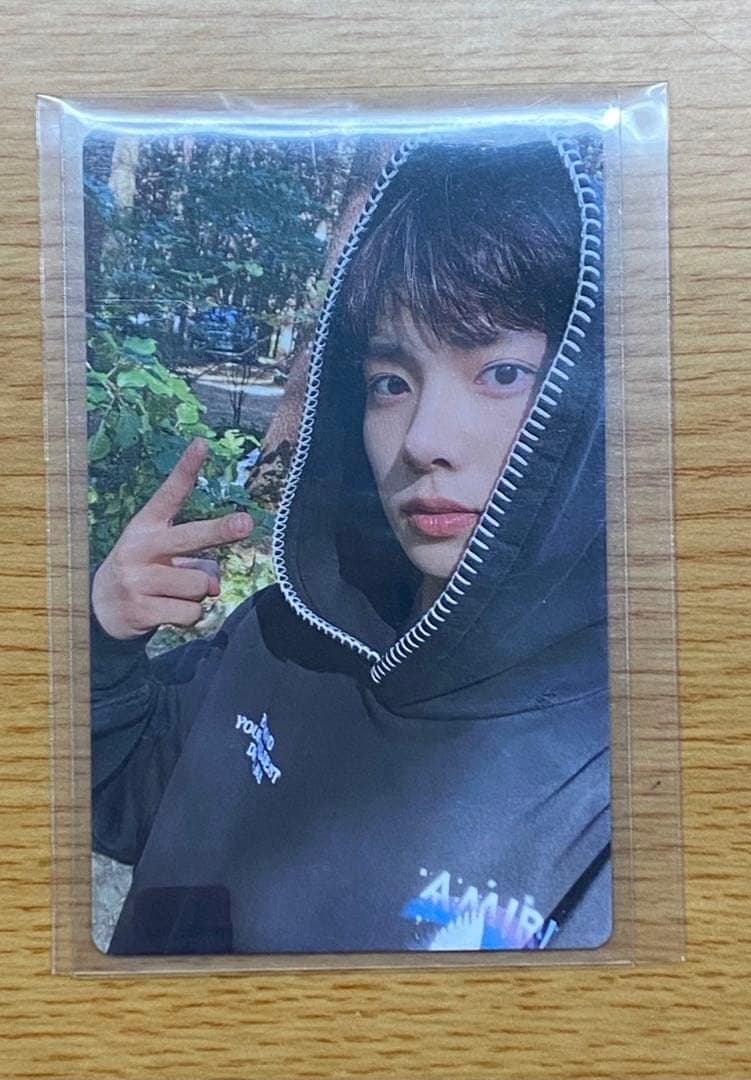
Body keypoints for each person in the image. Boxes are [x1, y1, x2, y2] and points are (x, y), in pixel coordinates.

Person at [90, 136, 611, 955]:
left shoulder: (621, 787)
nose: (424, 440)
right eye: (391, 383)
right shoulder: (281, 637)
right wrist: (104, 638)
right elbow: (117, 791)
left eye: (502, 373)